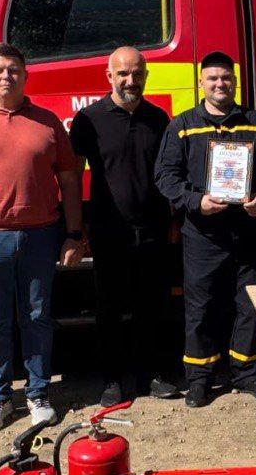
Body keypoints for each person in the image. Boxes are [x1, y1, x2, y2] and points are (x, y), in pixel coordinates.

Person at [0, 43, 83, 431]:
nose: (7, 76)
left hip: (41, 235)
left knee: (37, 317)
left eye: (14, 70)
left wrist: (74, 234)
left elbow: (69, 180)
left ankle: (38, 394)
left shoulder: (47, 121)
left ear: (25, 75)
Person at [154, 53, 256, 408]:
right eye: (213, 79)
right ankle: (200, 377)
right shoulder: (182, 125)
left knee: (248, 304)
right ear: (201, 83)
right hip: (203, 233)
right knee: (201, 305)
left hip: (250, 232)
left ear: (235, 82)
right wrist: (195, 201)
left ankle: (246, 372)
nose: (220, 85)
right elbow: (166, 176)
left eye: (226, 79)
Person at [70, 46, 179, 404]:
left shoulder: (159, 119)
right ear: (109, 76)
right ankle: (112, 379)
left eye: (137, 74)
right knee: (110, 307)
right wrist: (77, 227)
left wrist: (173, 220)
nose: (130, 81)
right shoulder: (89, 120)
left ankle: (152, 375)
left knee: (154, 304)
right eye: (123, 74)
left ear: (146, 76)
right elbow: (71, 176)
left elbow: (169, 175)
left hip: (153, 228)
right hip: (108, 229)